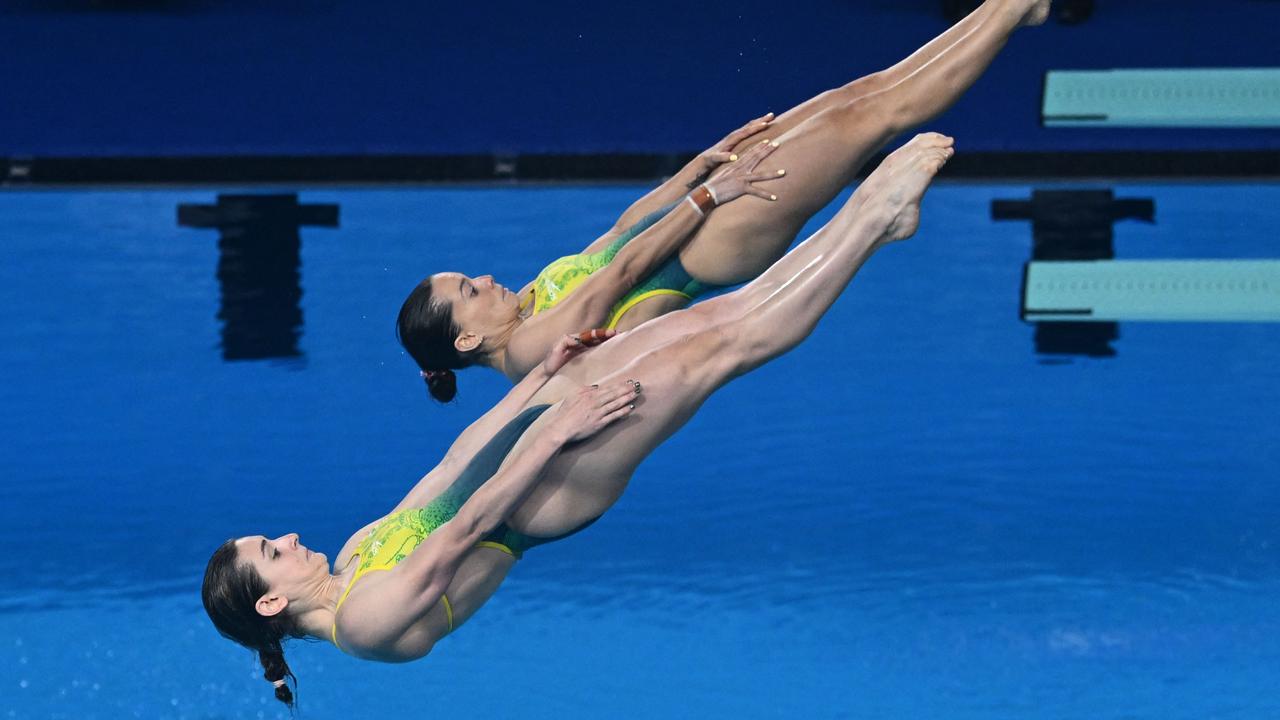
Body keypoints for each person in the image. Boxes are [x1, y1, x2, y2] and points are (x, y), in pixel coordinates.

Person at [203, 131, 956, 708]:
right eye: (272, 550)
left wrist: (542, 378)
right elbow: (467, 527)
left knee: (709, 324)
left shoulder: (359, 554)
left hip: (530, 439)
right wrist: (558, 428)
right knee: (721, 349)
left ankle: (872, 226)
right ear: (271, 602)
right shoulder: (363, 625)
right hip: (546, 488)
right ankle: (870, 218)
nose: (291, 538)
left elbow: (449, 473)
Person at [398, 0, 1050, 401]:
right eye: (469, 290)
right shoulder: (524, 352)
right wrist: (711, 194)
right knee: (878, 118)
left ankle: (1004, 9)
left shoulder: (531, 300)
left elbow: (620, 234)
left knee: (856, 96)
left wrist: (699, 165)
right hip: (711, 246)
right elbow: (626, 273)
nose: (483, 278)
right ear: (466, 341)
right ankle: (1011, 9)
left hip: (703, 211)